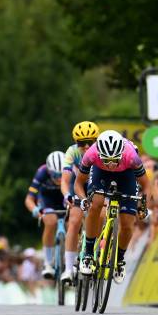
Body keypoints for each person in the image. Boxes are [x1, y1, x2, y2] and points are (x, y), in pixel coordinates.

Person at [74, 130, 151, 284]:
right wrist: (83, 199)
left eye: (114, 160)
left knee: (128, 224)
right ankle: (88, 254)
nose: (110, 164)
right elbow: (78, 183)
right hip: (100, 174)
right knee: (96, 203)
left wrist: (143, 204)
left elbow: (147, 185)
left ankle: (120, 260)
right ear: (99, 154)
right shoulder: (91, 154)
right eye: (106, 160)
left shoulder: (131, 156)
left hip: (126, 175)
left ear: (121, 154)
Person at [59, 121, 99, 282]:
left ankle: (97, 252)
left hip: (96, 184)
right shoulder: (72, 152)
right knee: (74, 221)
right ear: (76, 143)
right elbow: (65, 180)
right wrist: (66, 195)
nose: (87, 146)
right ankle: (68, 269)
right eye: (82, 143)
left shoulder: (101, 151)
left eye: (91, 142)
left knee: (102, 215)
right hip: (78, 185)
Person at [24, 151, 66, 279]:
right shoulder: (41, 172)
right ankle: (47, 262)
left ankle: (71, 258)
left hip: (65, 197)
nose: (59, 178)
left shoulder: (72, 170)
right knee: (50, 221)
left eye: (61, 175)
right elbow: (29, 199)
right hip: (47, 200)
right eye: (55, 175)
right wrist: (35, 209)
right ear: (49, 171)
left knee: (73, 223)